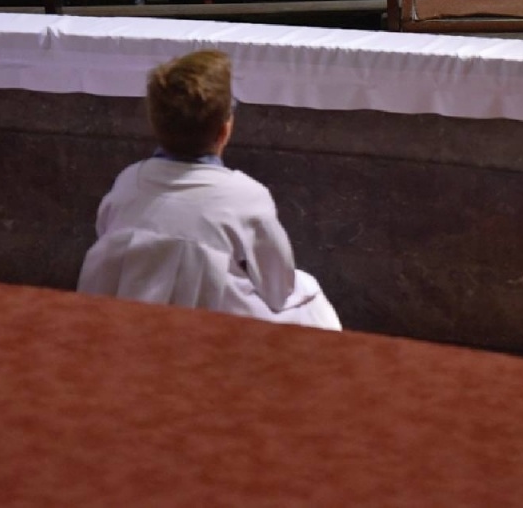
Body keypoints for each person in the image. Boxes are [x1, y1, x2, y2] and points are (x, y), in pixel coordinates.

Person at [77, 50, 340, 329]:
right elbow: (278, 288)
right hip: (212, 329)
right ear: (225, 130)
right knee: (311, 300)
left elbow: (107, 242)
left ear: (155, 124)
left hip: (127, 320)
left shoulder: (129, 180)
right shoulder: (246, 196)